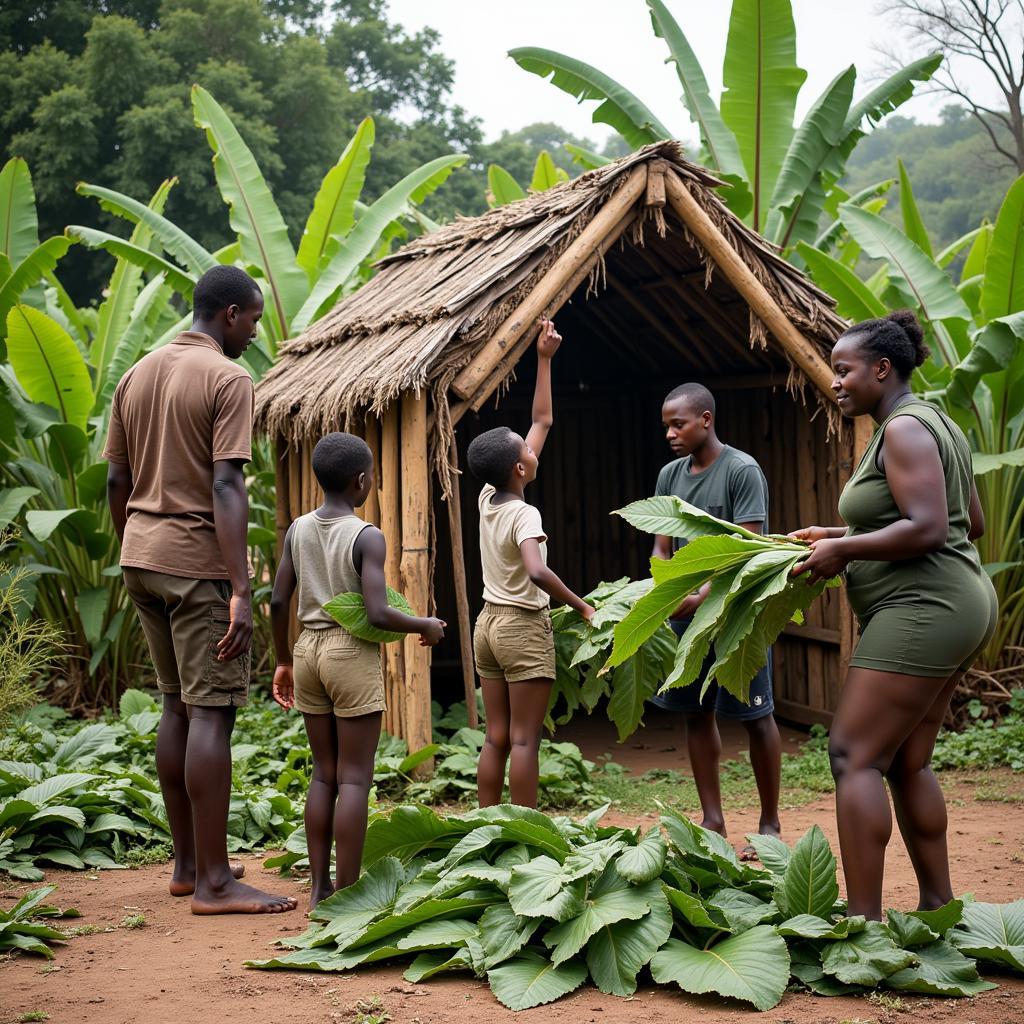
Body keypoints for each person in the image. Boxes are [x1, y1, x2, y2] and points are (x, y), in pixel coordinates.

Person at [791, 310, 997, 921]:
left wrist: (844, 548)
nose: (836, 382)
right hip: (958, 601)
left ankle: (863, 923)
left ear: (882, 369)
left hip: (925, 606)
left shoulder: (904, 430)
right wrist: (834, 532)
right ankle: (939, 905)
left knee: (853, 755)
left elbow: (931, 527)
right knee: (909, 761)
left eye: (844, 370)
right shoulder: (937, 424)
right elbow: (970, 523)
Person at [105, 265, 297, 914]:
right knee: (212, 712)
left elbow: (116, 481)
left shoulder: (136, 373)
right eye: (254, 319)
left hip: (142, 559)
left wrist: (133, 544)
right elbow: (225, 485)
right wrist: (242, 589)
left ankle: (188, 865)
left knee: (174, 707)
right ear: (232, 315)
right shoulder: (227, 377)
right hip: (195, 566)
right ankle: (216, 885)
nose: (255, 332)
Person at [269, 432, 446, 909]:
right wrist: (424, 623)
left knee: (323, 775)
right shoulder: (366, 535)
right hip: (349, 653)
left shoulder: (298, 530)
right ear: (361, 480)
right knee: (354, 779)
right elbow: (376, 613)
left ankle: (318, 887)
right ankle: (346, 895)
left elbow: (278, 599)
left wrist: (283, 660)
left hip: (307, 651)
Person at [651, 382, 782, 859]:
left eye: (678, 423)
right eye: (666, 424)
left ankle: (769, 823)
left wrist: (701, 596)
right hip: (686, 613)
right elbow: (662, 544)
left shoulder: (742, 471)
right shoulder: (669, 475)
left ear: (706, 419)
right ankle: (712, 818)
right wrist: (663, 587)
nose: (670, 433)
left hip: (736, 615)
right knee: (695, 711)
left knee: (755, 716)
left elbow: (747, 552)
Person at [468, 319, 595, 808]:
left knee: (496, 736)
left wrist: (544, 359)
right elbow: (537, 571)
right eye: (523, 446)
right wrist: (584, 609)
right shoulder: (525, 512)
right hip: (521, 626)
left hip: (487, 626)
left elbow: (541, 421)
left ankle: (485, 826)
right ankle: (524, 830)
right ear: (521, 468)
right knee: (525, 740)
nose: (530, 441)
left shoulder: (487, 495)